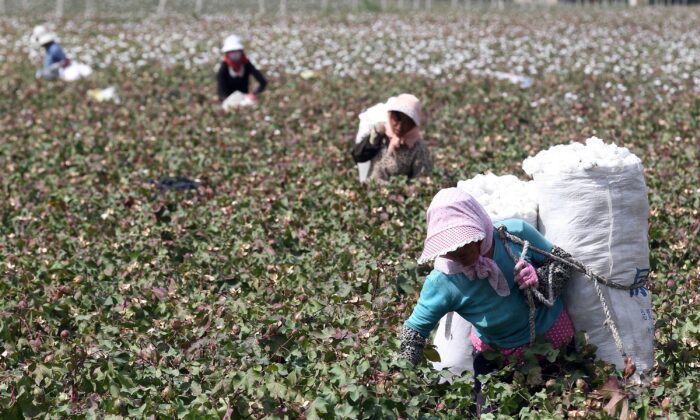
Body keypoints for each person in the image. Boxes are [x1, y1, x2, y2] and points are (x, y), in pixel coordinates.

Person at [398, 188, 574, 413]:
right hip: (498, 358)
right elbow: (415, 331)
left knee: (566, 407)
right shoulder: (442, 281)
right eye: (448, 247)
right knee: (492, 413)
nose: (457, 251)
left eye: (463, 241)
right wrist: (398, 379)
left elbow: (564, 262)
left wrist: (539, 280)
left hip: (552, 343)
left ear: (479, 226)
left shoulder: (514, 234)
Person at [352, 94, 432, 183]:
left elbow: (421, 180)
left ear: (413, 124)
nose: (400, 127)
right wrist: (373, 139)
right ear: (390, 115)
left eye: (406, 122)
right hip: (372, 189)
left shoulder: (418, 147)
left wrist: (399, 190)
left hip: (398, 195)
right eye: (397, 119)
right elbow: (358, 156)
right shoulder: (381, 133)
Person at [217, 34, 267, 103]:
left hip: (244, 100)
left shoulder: (246, 64)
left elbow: (263, 82)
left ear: (241, 52)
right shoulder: (224, 68)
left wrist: (254, 94)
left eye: (237, 52)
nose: (235, 55)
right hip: (228, 102)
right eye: (232, 53)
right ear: (227, 54)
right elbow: (221, 93)